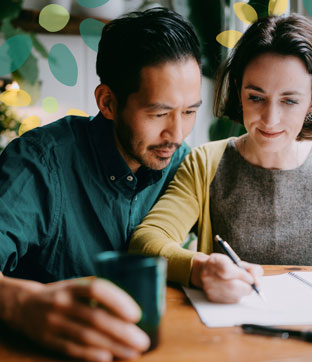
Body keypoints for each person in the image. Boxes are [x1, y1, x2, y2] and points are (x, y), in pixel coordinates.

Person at [0, 8, 202, 361]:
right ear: (108, 102)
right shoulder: (38, 164)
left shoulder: (183, 162)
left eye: (188, 112)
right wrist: (20, 302)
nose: (177, 134)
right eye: (158, 113)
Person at [130, 14, 312, 304]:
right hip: (232, 334)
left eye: (289, 100)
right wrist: (199, 269)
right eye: (256, 97)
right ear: (239, 90)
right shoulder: (205, 163)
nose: (270, 119)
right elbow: (146, 241)